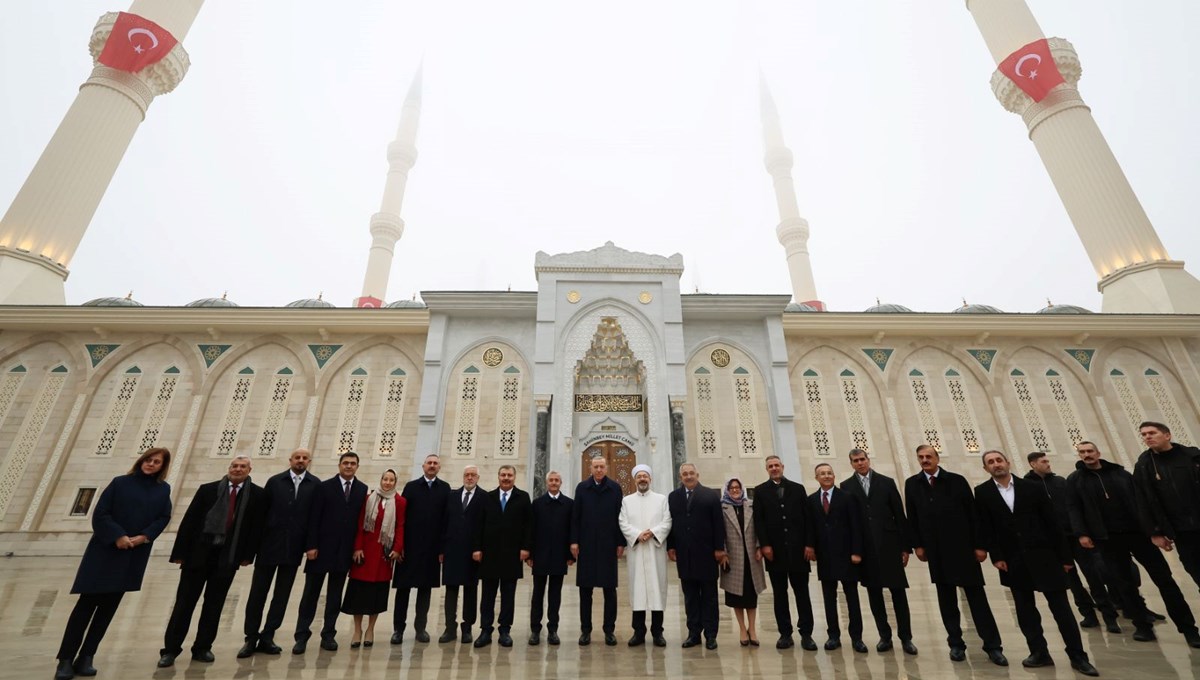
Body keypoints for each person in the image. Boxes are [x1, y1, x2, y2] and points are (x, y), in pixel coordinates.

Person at [974, 450, 1099, 676]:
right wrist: (998, 556)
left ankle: (1078, 655)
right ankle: (1039, 651)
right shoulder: (982, 493)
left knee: (1061, 609)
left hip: (1045, 556)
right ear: (985, 468)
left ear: (1008, 463)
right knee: (1025, 610)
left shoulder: (1032, 488)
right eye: (990, 462)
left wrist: (1065, 557)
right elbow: (987, 527)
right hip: (1014, 560)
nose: (996, 465)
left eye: (998, 460)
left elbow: (1052, 523)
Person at [1066, 440, 1200, 647]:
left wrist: (1155, 529)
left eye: (1090, 451)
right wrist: (1082, 533)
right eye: (1082, 452)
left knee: (1165, 580)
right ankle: (1142, 625)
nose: (1087, 455)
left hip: (1138, 535)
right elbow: (1074, 508)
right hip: (1108, 539)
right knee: (1125, 585)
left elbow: (1143, 501)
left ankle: (1188, 628)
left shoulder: (1120, 474)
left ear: (1098, 452)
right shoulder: (1075, 480)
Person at [55, 448, 172, 680]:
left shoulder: (163, 489)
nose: (151, 464)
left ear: (162, 466)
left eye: (156, 462)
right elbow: (100, 514)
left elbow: (163, 517)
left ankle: (87, 656)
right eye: (148, 460)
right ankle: (65, 659)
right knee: (85, 607)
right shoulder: (120, 483)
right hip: (105, 551)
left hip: (132, 554)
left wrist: (144, 536)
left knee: (107, 610)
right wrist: (117, 535)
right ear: (141, 460)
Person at [158, 455, 265, 667]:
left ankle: (203, 647)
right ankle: (170, 649)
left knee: (214, 605)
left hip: (228, 557)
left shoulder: (257, 495)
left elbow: (255, 529)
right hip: (198, 555)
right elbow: (190, 521)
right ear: (229, 468)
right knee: (184, 604)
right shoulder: (208, 489)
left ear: (249, 470)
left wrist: (246, 556)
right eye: (234, 466)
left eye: (242, 466)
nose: (237, 469)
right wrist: (180, 552)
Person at [904, 445, 1006, 666]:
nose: (924, 460)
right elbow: (912, 516)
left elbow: (973, 514)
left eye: (928, 456)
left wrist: (979, 546)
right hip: (937, 551)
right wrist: (918, 545)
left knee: (977, 599)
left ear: (937, 458)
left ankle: (993, 646)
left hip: (963, 549)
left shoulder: (956, 481)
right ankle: (956, 644)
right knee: (947, 600)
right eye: (921, 457)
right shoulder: (913, 484)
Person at [1024, 451, 1120, 633]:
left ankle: (1109, 615)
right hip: (1055, 542)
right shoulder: (1027, 486)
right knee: (1071, 580)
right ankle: (1088, 614)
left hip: (1074, 536)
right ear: (1033, 464)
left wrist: (1082, 531)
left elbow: (1075, 506)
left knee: (1093, 575)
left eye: (1047, 460)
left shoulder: (1060, 482)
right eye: (1043, 461)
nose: (1048, 464)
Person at [239, 448, 320, 658]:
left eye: (304, 458)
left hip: (292, 548)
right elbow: (261, 516)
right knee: (258, 593)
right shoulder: (275, 482)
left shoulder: (314, 485)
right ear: (290, 460)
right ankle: (251, 637)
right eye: (297, 458)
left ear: (309, 461)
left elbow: (314, 519)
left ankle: (268, 635)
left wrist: (310, 545)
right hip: (269, 546)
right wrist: (251, 549)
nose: (300, 461)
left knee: (281, 596)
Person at [840, 448, 917, 655]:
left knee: (898, 593)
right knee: (875, 594)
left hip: (889, 545)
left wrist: (904, 547)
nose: (860, 463)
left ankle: (906, 637)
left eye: (862, 459)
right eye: (855, 461)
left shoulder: (886, 482)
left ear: (868, 460)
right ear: (851, 463)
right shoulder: (846, 487)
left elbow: (899, 515)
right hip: (866, 550)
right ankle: (885, 636)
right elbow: (849, 522)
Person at [293, 451, 368, 654]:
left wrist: (355, 548)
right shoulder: (324, 487)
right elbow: (314, 518)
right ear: (339, 465)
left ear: (357, 466)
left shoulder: (362, 490)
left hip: (343, 552)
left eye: (353, 463)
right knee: (311, 594)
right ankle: (301, 635)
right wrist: (310, 546)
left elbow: (359, 523)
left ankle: (328, 634)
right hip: (321, 550)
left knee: (335, 595)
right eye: (346, 463)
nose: (349, 466)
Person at [752, 455, 817, 650]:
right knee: (780, 594)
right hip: (775, 553)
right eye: (770, 466)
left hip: (798, 552)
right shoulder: (761, 491)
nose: (774, 468)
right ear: (767, 469)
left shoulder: (797, 489)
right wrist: (765, 545)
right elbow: (759, 521)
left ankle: (806, 634)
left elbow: (807, 520)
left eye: (776, 465)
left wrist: (809, 544)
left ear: (782, 466)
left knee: (802, 594)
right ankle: (785, 633)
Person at [1132, 421, 1200, 590]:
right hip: (1181, 531)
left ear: (1167, 435)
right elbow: (1143, 501)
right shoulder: (1144, 465)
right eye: (1144, 434)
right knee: (1195, 569)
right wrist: (1155, 532)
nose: (1147, 437)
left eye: (1152, 433)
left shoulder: (1192, 457)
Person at [342, 469, 406, 648]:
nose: (387, 482)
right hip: (365, 553)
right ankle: (357, 630)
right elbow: (361, 523)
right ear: (381, 480)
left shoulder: (400, 502)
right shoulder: (369, 498)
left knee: (376, 594)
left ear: (395, 482)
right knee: (358, 593)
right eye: (385, 479)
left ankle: (370, 629)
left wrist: (397, 549)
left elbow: (400, 526)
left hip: (382, 554)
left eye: (391, 480)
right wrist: (358, 547)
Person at [391, 453, 450, 644]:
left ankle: (420, 628)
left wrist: (442, 549)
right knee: (403, 590)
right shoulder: (412, 487)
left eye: (435, 463)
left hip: (431, 549)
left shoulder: (445, 489)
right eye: (429, 463)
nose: (432, 466)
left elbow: (446, 521)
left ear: (439, 467)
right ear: (423, 466)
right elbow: (401, 519)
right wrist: (399, 547)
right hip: (410, 548)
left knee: (425, 591)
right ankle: (398, 629)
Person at [471, 465, 533, 648]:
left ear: (515, 477)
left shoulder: (523, 497)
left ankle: (505, 630)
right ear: (498, 477)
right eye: (503, 475)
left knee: (508, 594)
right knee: (488, 595)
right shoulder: (487, 497)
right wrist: (477, 548)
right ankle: (485, 629)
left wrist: (526, 548)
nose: (506, 478)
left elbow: (529, 525)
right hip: (489, 554)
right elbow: (478, 525)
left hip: (512, 554)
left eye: (510, 475)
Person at [808, 463, 866, 653]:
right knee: (829, 598)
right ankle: (833, 635)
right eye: (822, 474)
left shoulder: (847, 498)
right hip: (826, 557)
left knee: (851, 597)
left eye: (829, 473)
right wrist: (811, 548)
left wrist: (857, 551)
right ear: (816, 478)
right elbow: (811, 528)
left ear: (834, 475)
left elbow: (856, 526)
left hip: (847, 556)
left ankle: (857, 637)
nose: (826, 476)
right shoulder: (812, 500)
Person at [667, 462, 725, 650]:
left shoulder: (710, 495)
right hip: (685, 555)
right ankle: (694, 633)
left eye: (691, 473)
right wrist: (671, 546)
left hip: (707, 554)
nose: (689, 476)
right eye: (685, 474)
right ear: (680, 477)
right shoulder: (674, 497)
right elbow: (671, 524)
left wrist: (719, 548)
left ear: (697, 474)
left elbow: (718, 524)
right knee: (690, 596)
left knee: (709, 596)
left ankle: (710, 634)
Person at [570, 455, 626, 646]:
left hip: (608, 546)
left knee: (610, 590)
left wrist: (620, 542)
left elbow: (621, 517)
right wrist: (574, 541)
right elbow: (576, 516)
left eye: (602, 466)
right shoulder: (582, 488)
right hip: (586, 545)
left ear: (607, 468)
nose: (599, 470)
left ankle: (609, 630)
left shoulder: (615, 488)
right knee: (585, 590)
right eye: (596, 467)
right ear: (591, 468)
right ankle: (585, 630)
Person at [618, 464, 672, 647]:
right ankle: (638, 632)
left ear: (650, 479)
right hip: (637, 550)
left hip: (655, 549)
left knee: (657, 591)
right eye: (639, 476)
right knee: (638, 591)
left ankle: (658, 632)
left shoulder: (661, 499)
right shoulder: (627, 501)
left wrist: (653, 532)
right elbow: (623, 522)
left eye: (645, 476)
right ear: (634, 480)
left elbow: (667, 521)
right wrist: (637, 534)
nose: (642, 479)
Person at [439, 465, 485, 644]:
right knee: (451, 590)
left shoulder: (484, 498)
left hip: (472, 552)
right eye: (467, 475)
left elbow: (483, 525)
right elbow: (444, 524)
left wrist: (479, 548)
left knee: (470, 590)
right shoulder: (452, 496)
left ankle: (467, 627)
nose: (470, 478)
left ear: (478, 478)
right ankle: (450, 627)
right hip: (452, 550)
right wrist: (441, 550)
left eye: (473, 475)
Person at [528, 470, 574, 645]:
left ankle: (553, 629)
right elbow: (531, 530)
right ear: (547, 483)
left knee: (555, 594)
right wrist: (530, 554)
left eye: (557, 480)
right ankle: (535, 630)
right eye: (551, 480)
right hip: (540, 555)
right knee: (537, 594)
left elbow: (572, 530)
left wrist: (571, 555)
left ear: (560, 483)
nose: (554, 483)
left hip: (559, 556)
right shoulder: (538, 504)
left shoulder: (569, 504)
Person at [719, 477, 766, 647]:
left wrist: (760, 547)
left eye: (737, 487)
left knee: (750, 595)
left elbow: (760, 526)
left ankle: (752, 629)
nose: (735, 490)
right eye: (731, 488)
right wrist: (723, 552)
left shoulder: (751, 505)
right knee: (736, 596)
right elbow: (720, 531)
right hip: (733, 557)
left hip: (751, 557)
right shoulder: (722, 507)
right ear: (727, 490)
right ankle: (741, 628)